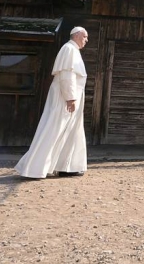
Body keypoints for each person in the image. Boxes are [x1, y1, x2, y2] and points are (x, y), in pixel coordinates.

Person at [15, 27, 89, 178]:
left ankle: (66, 166)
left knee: (71, 131)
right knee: (55, 128)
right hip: (65, 97)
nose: (86, 40)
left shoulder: (74, 51)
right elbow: (66, 75)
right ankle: (34, 168)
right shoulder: (68, 49)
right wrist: (70, 98)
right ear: (76, 35)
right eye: (85, 37)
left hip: (73, 96)